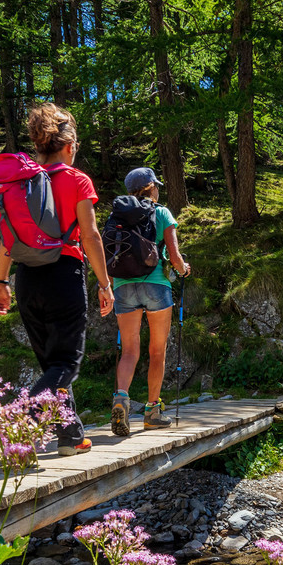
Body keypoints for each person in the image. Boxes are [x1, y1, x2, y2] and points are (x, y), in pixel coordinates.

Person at [0, 103, 115, 455]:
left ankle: (70, 436)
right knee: (65, 363)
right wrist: (105, 284)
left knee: (52, 363)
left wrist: (0, 282)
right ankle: (19, 417)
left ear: (38, 145)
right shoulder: (76, 179)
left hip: (27, 278)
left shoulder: (21, 182)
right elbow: (90, 235)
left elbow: (8, 237)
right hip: (63, 275)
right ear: (69, 146)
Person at [111, 167, 190, 436]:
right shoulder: (162, 212)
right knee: (157, 351)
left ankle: (121, 399)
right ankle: (152, 411)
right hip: (156, 285)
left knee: (129, 351)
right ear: (151, 188)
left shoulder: (117, 214)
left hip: (123, 286)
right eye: (156, 186)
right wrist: (183, 269)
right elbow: (175, 257)